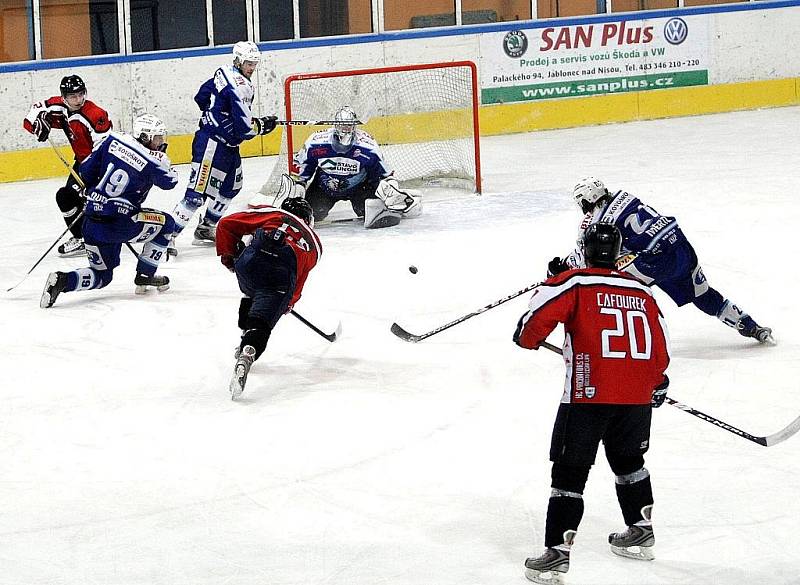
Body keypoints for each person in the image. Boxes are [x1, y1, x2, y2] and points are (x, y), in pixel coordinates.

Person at [514, 223, 671, 585]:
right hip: (635, 398)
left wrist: (547, 293)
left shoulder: (574, 283)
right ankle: (641, 531)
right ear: (618, 254)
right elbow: (660, 346)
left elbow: (529, 332)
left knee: (570, 473)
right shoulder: (642, 292)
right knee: (630, 461)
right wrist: (657, 382)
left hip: (587, 396)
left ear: (584, 250)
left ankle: (556, 555)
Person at [548, 177, 773, 343]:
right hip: (680, 247)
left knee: (613, 289)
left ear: (586, 201)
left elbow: (585, 258)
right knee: (703, 294)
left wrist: (560, 269)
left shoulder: (596, 221)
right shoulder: (626, 197)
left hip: (653, 264)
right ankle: (750, 326)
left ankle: (616, 339)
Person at [40, 114, 178, 309]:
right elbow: (170, 182)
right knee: (167, 224)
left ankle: (63, 281)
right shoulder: (154, 159)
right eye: (158, 138)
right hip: (122, 224)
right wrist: (162, 160)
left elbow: (86, 171)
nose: (161, 143)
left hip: (91, 223)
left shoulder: (113, 139)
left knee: (102, 275)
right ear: (145, 137)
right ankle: (146, 275)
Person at [168, 41, 278, 256]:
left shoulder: (222, 73)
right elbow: (245, 130)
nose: (252, 68)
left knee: (231, 187)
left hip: (227, 147)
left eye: (255, 63)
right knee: (195, 195)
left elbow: (201, 96)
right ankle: (165, 237)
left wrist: (216, 114)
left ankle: (206, 227)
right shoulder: (241, 86)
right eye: (248, 63)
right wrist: (263, 126)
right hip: (211, 145)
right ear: (237, 60)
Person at [215, 197, 322, 399]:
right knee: (263, 318)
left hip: (250, 264)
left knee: (252, 291)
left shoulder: (272, 213)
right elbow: (299, 278)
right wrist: (287, 303)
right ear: (308, 218)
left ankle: (244, 336)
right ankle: (248, 351)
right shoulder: (315, 244)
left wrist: (229, 257)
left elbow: (226, 224)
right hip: (281, 273)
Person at [276, 105, 421, 229]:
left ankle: (406, 198)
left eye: (349, 125)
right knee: (311, 214)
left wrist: (392, 192)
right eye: (342, 125)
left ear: (354, 126)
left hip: (359, 188)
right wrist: (297, 191)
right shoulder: (315, 143)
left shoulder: (367, 146)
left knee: (366, 212)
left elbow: (386, 175)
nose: (345, 129)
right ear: (335, 124)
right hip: (324, 188)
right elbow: (300, 173)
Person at [23, 74, 113, 257]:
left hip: (100, 165)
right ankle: (81, 238)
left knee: (102, 202)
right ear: (64, 97)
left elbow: (107, 149)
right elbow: (33, 113)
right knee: (65, 197)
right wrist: (38, 126)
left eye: (81, 94)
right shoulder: (59, 106)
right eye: (73, 96)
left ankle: (124, 228)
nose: (78, 100)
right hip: (81, 163)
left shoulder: (95, 114)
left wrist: (96, 182)